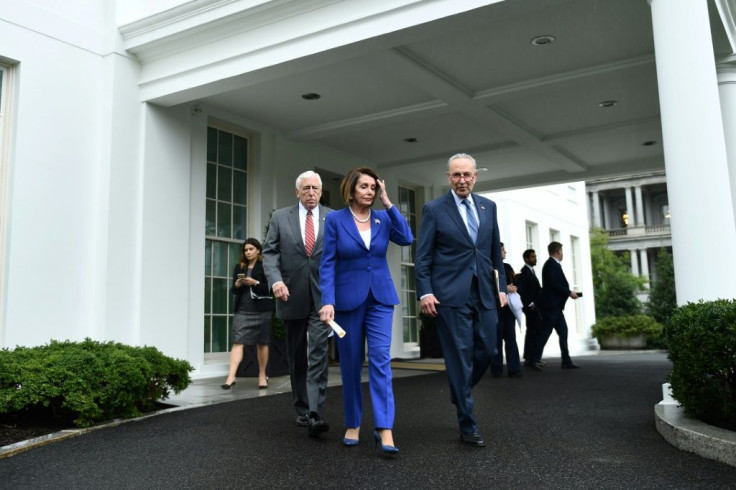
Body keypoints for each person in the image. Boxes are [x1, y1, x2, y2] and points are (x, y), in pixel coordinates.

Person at [415, 153, 506, 448]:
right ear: (448, 177)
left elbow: (495, 254)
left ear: (476, 176)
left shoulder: (488, 207)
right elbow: (423, 256)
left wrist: (502, 287)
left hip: (485, 292)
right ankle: (468, 424)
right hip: (450, 295)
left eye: (467, 175)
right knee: (459, 355)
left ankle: (459, 388)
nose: (462, 180)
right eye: (456, 175)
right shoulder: (434, 208)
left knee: (489, 349)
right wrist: (425, 291)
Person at [319, 168, 413, 455]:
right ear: (351, 189)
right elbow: (327, 263)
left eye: (374, 187)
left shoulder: (383, 218)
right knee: (349, 363)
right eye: (365, 186)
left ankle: (385, 428)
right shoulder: (335, 219)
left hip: (380, 298)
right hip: (347, 299)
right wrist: (327, 300)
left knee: (381, 359)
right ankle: (353, 423)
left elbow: (407, 238)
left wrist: (389, 204)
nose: (370, 191)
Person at [263, 171, 333, 437]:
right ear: (297, 192)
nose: (311, 193)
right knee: (296, 355)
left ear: (321, 190)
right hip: (289, 294)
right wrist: (275, 281)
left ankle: (316, 413)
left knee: (318, 353)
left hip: (321, 298)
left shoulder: (333, 217)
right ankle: (302, 409)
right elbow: (269, 253)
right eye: (306, 189)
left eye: (316, 188)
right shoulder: (281, 217)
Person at [222, 238, 273, 390]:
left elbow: (271, 288)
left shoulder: (266, 266)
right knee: (238, 341)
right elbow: (233, 290)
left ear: (258, 250)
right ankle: (231, 377)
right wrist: (237, 285)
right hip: (242, 310)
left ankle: (262, 375)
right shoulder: (239, 267)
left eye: (251, 249)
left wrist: (255, 283)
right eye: (246, 250)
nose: (248, 252)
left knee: (262, 342)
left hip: (261, 310)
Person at [535, 241, 581, 369]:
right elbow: (555, 284)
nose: (562, 253)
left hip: (555, 307)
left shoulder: (552, 265)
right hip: (551, 306)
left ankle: (566, 360)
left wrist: (569, 292)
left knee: (562, 331)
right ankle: (534, 359)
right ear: (557, 252)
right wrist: (569, 292)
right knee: (545, 332)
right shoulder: (551, 265)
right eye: (561, 251)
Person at [490, 243, 522, 378]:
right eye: (503, 250)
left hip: (508, 309)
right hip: (495, 308)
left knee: (511, 338)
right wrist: (505, 288)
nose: (505, 252)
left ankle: (514, 369)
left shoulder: (508, 267)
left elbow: (514, 282)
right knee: (496, 340)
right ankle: (496, 370)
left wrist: (514, 287)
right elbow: (489, 285)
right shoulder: (489, 267)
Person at [516, 249, 544, 371]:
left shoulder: (531, 271)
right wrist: (530, 303)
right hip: (531, 307)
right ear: (526, 259)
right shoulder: (524, 272)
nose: (535, 258)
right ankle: (531, 359)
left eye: (535, 256)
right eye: (532, 257)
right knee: (533, 332)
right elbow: (521, 290)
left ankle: (530, 358)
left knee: (534, 331)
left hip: (535, 306)